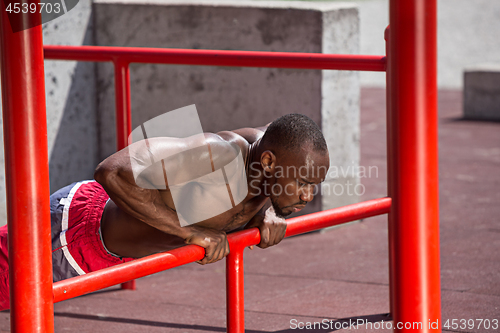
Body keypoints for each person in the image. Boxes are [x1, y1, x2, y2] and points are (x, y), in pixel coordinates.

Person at [0, 113, 330, 310]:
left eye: (313, 184)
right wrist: (188, 231)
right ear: (270, 161)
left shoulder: (271, 153)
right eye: (302, 183)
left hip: (107, 254)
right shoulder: (217, 154)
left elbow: (283, 131)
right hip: (74, 236)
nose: (308, 195)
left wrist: (266, 211)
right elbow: (112, 170)